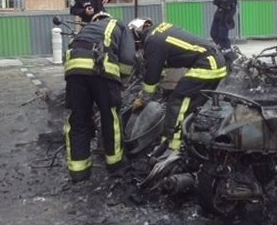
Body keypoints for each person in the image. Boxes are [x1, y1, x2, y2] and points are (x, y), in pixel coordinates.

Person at [128, 18, 228, 155]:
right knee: (190, 107)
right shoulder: (159, 30)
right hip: (215, 61)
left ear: (136, 35)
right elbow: (167, 60)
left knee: (177, 102)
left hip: (207, 65)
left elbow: (152, 76)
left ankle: (173, 148)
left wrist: (144, 99)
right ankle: (184, 137)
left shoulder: (152, 41)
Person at [64, 12, 136, 183]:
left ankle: (79, 171)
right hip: (101, 68)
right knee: (110, 117)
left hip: (74, 70)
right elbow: (127, 59)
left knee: (78, 119)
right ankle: (115, 165)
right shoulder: (119, 25)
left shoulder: (86, 29)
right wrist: (122, 83)